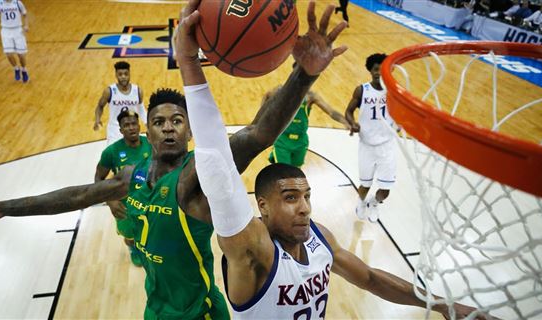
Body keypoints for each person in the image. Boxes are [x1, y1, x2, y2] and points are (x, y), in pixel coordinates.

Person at [0, 0, 348, 318]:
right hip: (156, 310)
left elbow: (259, 133)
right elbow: (75, 196)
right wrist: (4, 207)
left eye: (178, 121)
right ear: (147, 132)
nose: (168, 128)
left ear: (190, 131)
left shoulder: (196, 175)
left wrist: (303, 76)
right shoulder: (130, 175)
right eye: (159, 121)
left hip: (202, 313)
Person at [184, 21, 485, 320]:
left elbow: (370, 278)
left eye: (306, 196)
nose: (304, 208)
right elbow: (215, 166)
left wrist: (444, 304)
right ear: (261, 205)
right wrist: (187, 59)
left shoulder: (318, 237)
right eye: (290, 198)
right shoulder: (252, 249)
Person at [95, 107, 151, 267]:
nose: (131, 127)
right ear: (120, 129)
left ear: (139, 126)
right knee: (130, 234)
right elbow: (98, 178)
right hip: (124, 204)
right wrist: (110, 201)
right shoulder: (111, 152)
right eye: (127, 125)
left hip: (149, 198)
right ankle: (134, 249)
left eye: (134, 124)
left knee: (153, 230)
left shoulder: (151, 144)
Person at [345, 53, 398, 223]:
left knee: (386, 189)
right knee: (365, 185)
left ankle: (374, 203)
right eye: (375, 69)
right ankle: (361, 202)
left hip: (387, 145)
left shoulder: (394, 91)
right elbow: (348, 112)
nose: (379, 73)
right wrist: (352, 123)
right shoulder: (362, 90)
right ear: (370, 70)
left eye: (382, 69)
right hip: (366, 144)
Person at [264, 71, 352, 168]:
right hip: (283, 140)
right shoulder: (280, 91)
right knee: (283, 172)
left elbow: (331, 112)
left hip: (300, 141)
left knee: (295, 171)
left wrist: (345, 122)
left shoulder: (310, 96)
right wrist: (264, 119)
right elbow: (267, 96)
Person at [93, 61, 148, 145]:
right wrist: (97, 120)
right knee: (114, 156)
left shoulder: (137, 90)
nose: (123, 77)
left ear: (129, 74)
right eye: (120, 74)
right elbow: (100, 106)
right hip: (114, 130)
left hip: (132, 128)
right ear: (116, 75)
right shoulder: (109, 91)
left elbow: (141, 109)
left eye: (126, 74)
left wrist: (147, 123)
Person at [0, 0, 29, 83]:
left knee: (21, 55)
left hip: (18, 30)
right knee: (8, 54)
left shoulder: (17, 3)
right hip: (5, 31)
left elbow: (25, 15)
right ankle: (16, 68)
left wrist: (26, 25)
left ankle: (24, 70)